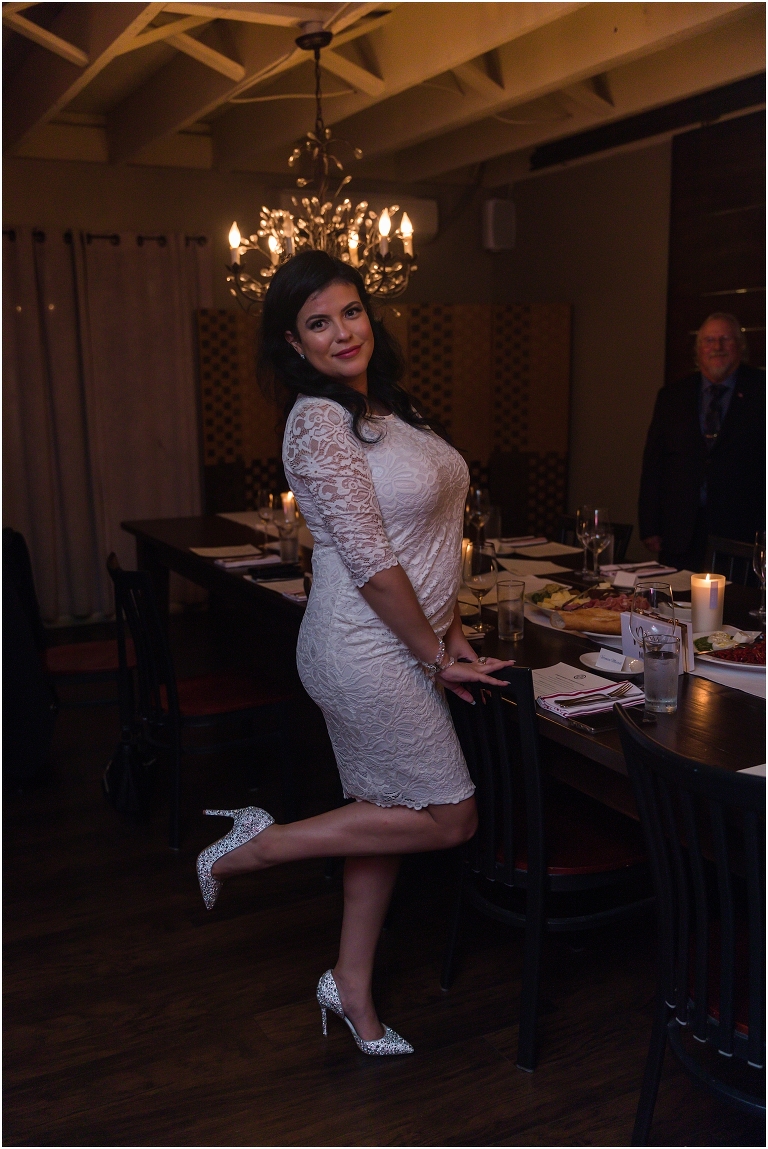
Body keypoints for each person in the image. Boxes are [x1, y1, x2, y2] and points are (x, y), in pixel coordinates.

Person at [196, 250, 514, 1056]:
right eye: (317, 322)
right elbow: (372, 563)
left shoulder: (390, 407)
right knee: (449, 817)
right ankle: (261, 842)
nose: (342, 331)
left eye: (351, 311)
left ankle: (351, 985)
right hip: (361, 647)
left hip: (406, 642)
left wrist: (450, 635)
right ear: (293, 345)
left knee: (386, 813)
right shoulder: (316, 421)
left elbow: (427, 541)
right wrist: (435, 655)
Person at [638, 312, 765, 571]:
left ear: (739, 346)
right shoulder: (672, 396)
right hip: (680, 533)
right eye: (709, 340)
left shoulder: (761, 391)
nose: (716, 347)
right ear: (698, 351)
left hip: (743, 534)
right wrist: (649, 525)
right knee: (675, 608)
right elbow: (654, 464)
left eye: (725, 339)